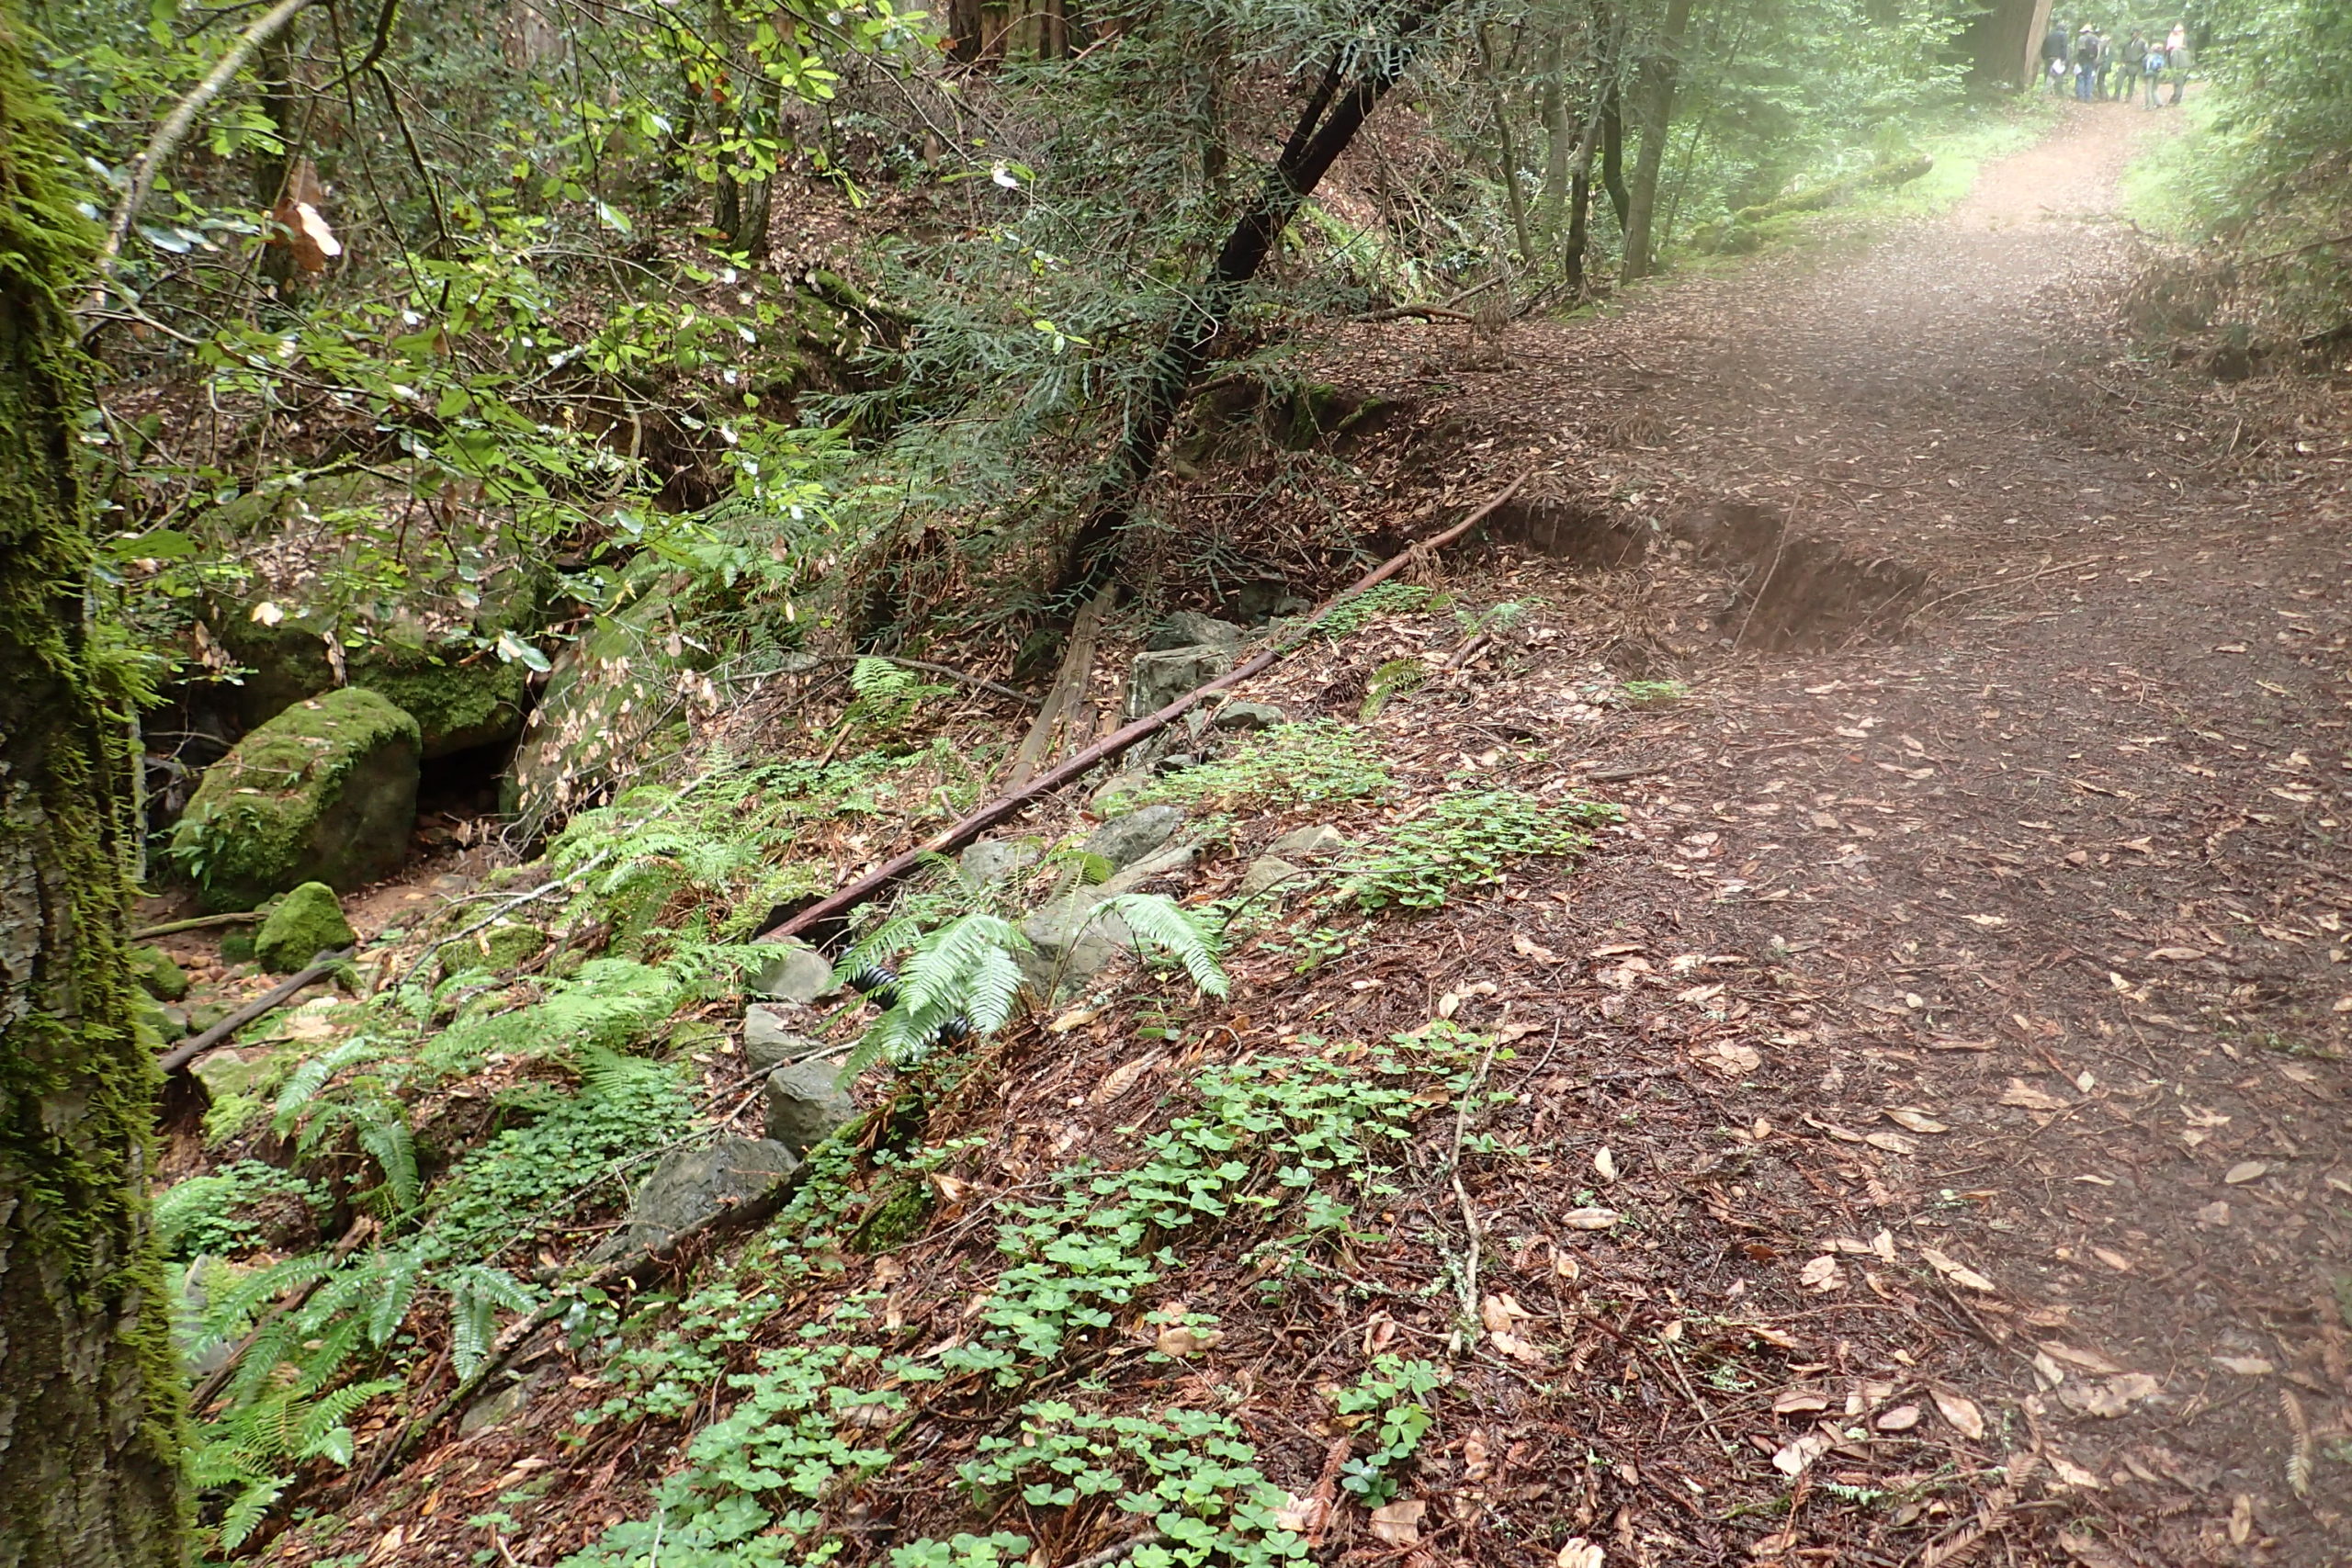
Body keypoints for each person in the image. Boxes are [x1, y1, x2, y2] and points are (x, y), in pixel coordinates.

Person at [2043, 18, 2073, 92]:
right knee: (2057, 75)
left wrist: (2044, 56)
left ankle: (2048, 91)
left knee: (2048, 73)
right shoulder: (2063, 35)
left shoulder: (2050, 35)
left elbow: (2044, 46)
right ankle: (2054, 92)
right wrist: (2063, 59)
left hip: (2048, 57)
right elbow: (2064, 47)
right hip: (2057, 58)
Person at [2118, 31, 2148, 98]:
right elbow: (2122, 52)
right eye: (2132, 34)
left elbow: (2145, 52)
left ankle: (2129, 96)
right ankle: (2116, 95)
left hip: (2135, 64)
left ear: (2138, 34)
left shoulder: (2142, 42)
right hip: (2125, 63)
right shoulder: (2127, 43)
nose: (2133, 35)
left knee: (2131, 80)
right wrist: (2122, 61)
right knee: (2119, 79)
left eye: (2134, 33)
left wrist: (2138, 58)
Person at [2073, 25, 2100, 100]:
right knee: (2089, 78)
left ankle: (2081, 96)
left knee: (2080, 77)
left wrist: (2076, 61)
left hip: (2082, 60)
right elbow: (2098, 51)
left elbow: (2077, 51)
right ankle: (2088, 97)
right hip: (2091, 61)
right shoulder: (2096, 39)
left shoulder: (2081, 38)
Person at [2166, 32, 2194, 105]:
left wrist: (2173, 70)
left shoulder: (2175, 51)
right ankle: (2176, 97)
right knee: (2181, 83)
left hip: (2179, 69)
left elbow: (2174, 61)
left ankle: (2176, 99)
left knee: (2177, 84)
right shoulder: (2186, 51)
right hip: (2187, 68)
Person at [2143, 39, 2167, 107]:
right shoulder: (2160, 56)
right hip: (2157, 73)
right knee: (2154, 89)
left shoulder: (2149, 56)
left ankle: (2148, 105)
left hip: (2149, 73)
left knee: (2148, 90)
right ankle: (2159, 103)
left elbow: (2144, 65)